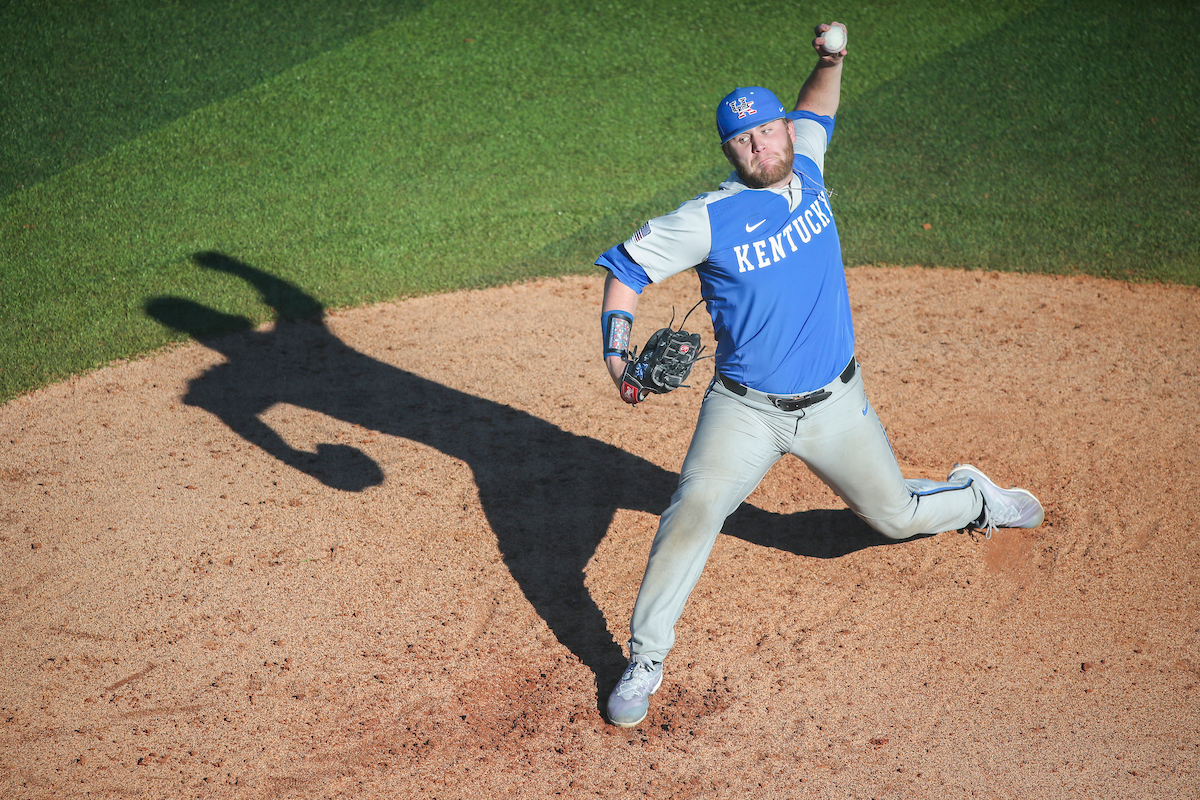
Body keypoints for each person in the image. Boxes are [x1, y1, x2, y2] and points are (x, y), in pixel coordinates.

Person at [594, 22, 1044, 728]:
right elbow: (625, 270)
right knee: (694, 511)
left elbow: (819, 108)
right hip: (744, 411)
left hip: (837, 404)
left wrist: (831, 60)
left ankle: (973, 497)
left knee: (895, 516)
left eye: (768, 132)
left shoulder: (809, 162)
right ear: (729, 151)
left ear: (783, 132)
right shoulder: (708, 219)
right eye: (743, 141)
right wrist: (617, 358)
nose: (761, 146)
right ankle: (646, 659)